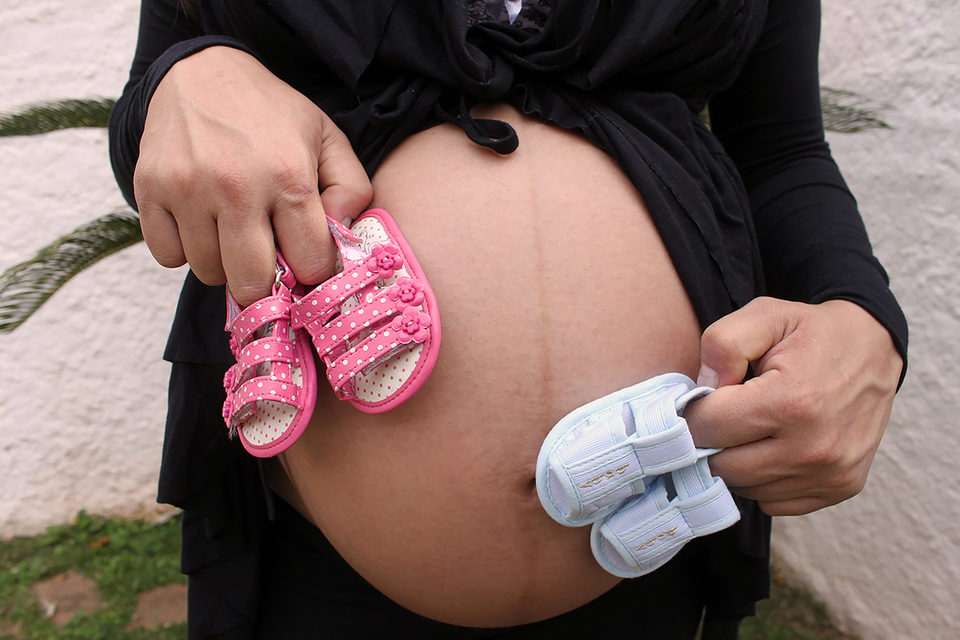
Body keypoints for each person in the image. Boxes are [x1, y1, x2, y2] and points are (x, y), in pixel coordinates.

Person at [109, 1, 907, 638]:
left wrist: (862, 315)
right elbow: (154, 123)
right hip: (320, 566)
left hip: (650, 533)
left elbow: (779, 146)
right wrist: (190, 74)